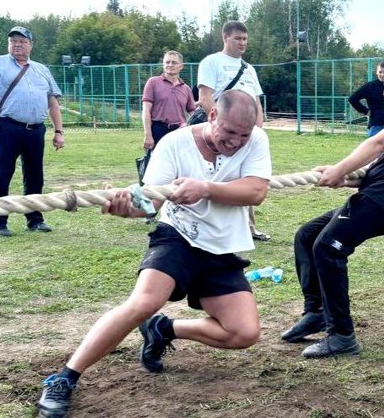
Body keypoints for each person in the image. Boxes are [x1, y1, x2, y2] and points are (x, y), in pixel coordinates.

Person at [35, 91, 272, 418]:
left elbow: (256, 191)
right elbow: (150, 204)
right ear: (213, 116)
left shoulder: (256, 139)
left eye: (243, 135)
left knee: (244, 333)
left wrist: (205, 188)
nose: (236, 141)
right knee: (143, 302)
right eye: (229, 132)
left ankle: (162, 329)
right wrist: (125, 209)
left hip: (223, 246)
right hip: (178, 237)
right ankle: (64, 378)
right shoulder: (174, 144)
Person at [282, 79, 384, 358]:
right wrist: (343, 178)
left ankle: (342, 336)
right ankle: (317, 312)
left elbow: (377, 142)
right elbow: (378, 173)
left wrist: (340, 167)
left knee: (327, 247)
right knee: (307, 235)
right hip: (373, 197)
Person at [0, 26, 65, 237]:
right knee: (2, 174)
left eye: (22, 41)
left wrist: (59, 131)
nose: (17, 44)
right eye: (13, 41)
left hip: (35, 130)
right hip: (6, 127)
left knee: (35, 176)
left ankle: (34, 219)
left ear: (31, 45)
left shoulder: (41, 69)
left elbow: (52, 102)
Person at [198, 20, 270, 241]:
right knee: (215, 179)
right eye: (238, 38)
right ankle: (207, 225)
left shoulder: (249, 69)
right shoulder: (212, 62)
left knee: (248, 179)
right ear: (225, 38)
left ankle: (249, 227)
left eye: (245, 39)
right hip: (221, 135)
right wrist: (223, 130)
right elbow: (205, 98)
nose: (242, 43)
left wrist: (255, 133)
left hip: (244, 136)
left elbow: (256, 102)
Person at [142, 50, 195, 151]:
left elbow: (193, 113)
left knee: (179, 164)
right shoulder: (153, 82)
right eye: (167, 62)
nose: (170, 65)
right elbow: (146, 111)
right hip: (158, 130)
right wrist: (148, 135)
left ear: (181, 66)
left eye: (174, 62)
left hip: (179, 132)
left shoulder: (186, 89)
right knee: (156, 165)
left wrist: (187, 125)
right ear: (163, 65)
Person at [348, 62, 384, 137]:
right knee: (373, 148)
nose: (382, 74)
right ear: (376, 72)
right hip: (376, 125)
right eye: (380, 72)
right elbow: (352, 99)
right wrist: (366, 111)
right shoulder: (369, 86)